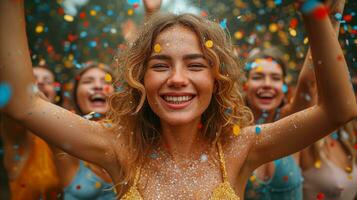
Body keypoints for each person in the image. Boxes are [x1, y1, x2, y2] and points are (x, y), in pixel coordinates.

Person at [1, 1, 356, 199]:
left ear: (216, 80)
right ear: (141, 79)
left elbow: (337, 110)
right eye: (160, 65)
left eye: (195, 64)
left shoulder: (242, 146)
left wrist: (315, 14)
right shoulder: (116, 147)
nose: (176, 79)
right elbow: (22, 104)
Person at [243, 47, 304, 199]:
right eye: (257, 77)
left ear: (284, 88)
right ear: (245, 86)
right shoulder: (228, 133)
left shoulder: (296, 128)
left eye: (276, 78)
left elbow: (309, 83)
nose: (267, 84)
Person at [53, 62, 116, 200]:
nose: (98, 86)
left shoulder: (136, 138)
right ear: (75, 95)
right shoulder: (63, 136)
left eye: (106, 81)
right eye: (88, 81)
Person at [0, 65, 61, 200]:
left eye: (48, 81)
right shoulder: (16, 133)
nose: (40, 82)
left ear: (56, 94)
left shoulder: (66, 137)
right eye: (32, 79)